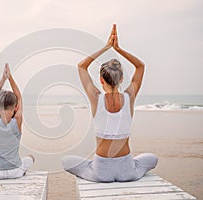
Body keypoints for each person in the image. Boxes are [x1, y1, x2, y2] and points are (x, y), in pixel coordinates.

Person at [61, 24, 158, 182]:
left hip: (101, 172)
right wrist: (118, 49)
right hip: (127, 171)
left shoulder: (96, 98)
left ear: (100, 79)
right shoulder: (129, 97)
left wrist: (106, 47)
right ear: (121, 79)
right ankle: (131, 168)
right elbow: (140, 66)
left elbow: (81, 66)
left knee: (66, 161)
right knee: (152, 159)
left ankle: (92, 168)